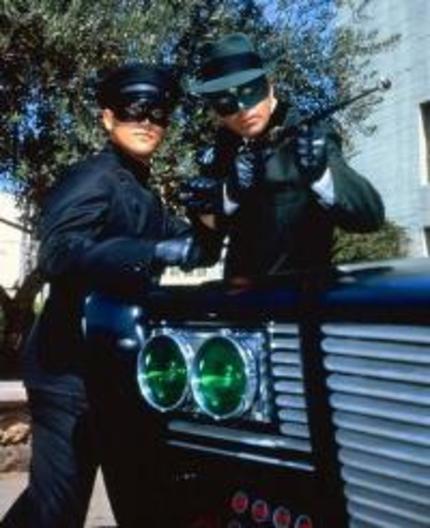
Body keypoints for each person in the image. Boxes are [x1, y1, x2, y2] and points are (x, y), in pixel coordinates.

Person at [2, 62, 213, 528]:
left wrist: (214, 212)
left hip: (113, 370)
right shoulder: (92, 176)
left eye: (158, 113)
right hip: (67, 371)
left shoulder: (142, 191)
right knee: (58, 507)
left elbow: (194, 246)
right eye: (133, 109)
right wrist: (153, 250)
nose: (147, 121)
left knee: (103, 498)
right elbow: (58, 254)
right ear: (107, 118)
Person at [180, 33, 385, 282]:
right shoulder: (223, 149)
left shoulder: (310, 137)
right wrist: (221, 199)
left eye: (250, 91)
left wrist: (321, 177)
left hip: (300, 297)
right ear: (215, 111)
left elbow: (370, 218)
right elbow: (207, 249)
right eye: (225, 102)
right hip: (240, 298)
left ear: (270, 87)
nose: (243, 110)